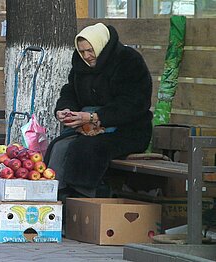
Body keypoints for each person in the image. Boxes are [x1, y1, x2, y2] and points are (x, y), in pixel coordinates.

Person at [44, 22, 153, 200]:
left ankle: (83, 199)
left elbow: (134, 103)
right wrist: (65, 110)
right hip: (89, 128)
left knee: (88, 148)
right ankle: (57, 196)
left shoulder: (129, 60)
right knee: (59, 146)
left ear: (101, 45)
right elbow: (70, 91)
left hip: (128, 130)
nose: (86, 56)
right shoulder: (81, 65)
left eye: (90, 50)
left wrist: (96, 117)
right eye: (82, 51)